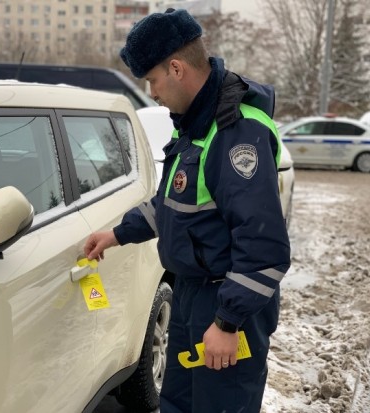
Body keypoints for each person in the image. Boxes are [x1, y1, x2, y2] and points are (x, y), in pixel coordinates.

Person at [84, 8, 291, 413]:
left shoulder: (236, 134)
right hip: (192, 294)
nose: (153, 93)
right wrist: (117, 234)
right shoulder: (194, 127)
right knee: (178, 402)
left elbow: (263, 245)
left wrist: (228, 322)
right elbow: (174, 203)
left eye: (152, 80)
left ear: (176, 68)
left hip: (228, 303)